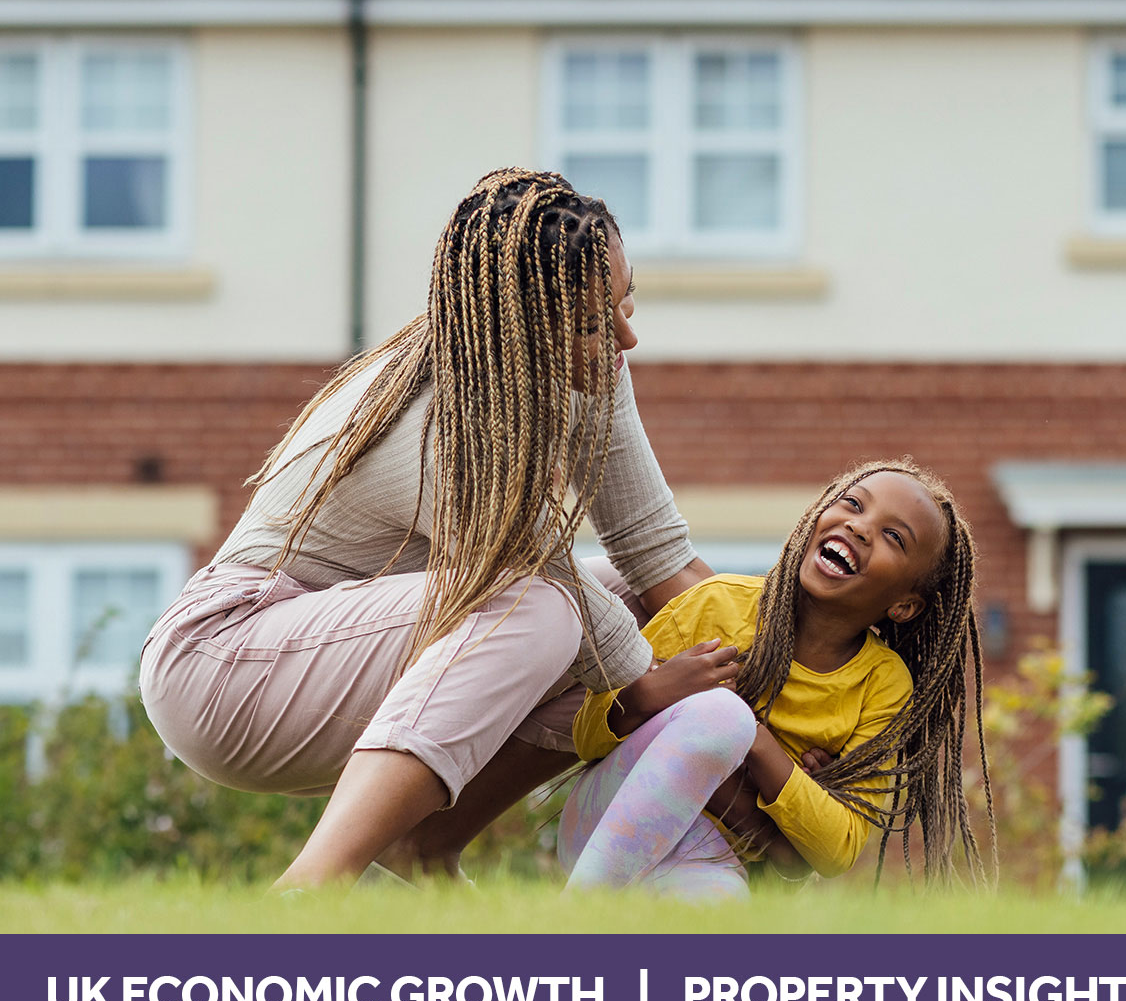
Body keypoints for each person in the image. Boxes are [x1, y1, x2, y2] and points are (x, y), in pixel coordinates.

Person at [140, 167, 713, 891]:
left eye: (627, 302)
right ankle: (311, 890)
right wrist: (646, 692)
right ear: (522, 328)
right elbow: (559, 590)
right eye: (598, 322)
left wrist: (792, 662)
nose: (627, 338)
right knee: (538, 607)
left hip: (346, 644)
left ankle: (427, 845)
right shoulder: (442, 420)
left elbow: (664, 564)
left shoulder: (583, 365)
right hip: (225, 670)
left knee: (627, 597)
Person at [558, 460, 997, 899]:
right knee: (722, 713)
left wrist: (757, 743)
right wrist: (651, 693)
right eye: (852, 504)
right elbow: (587, 740)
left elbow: (835, 851)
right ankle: (573, 920)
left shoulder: (883, 685)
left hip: (711, 863)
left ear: (904, 605)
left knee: (724, 909)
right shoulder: (718, 604)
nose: (861, 527)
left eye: (894, 536)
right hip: (604, 820)